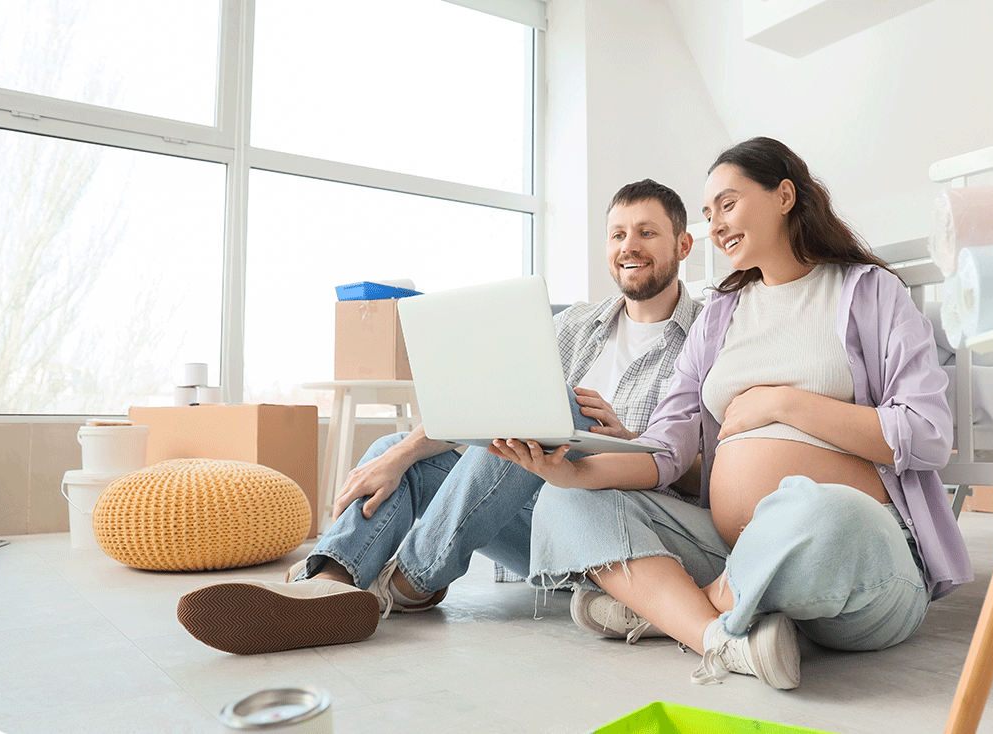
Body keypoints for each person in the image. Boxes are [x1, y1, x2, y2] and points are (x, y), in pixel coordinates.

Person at [491, 137, 973, 690]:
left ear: (785, 195)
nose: (716, 225)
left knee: (820, 511)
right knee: (566, 502)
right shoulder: (718, 314)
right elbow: (667, 450)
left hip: (855, 552)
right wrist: (574, 472)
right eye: (708, 213)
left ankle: (677, 609)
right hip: (729, 549)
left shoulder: (868, 292)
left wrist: (781, 402)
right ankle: (723, 639)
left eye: (729, 203)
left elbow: (928, 435)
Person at [177, 179, 704, 655]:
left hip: (603, 528)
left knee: (562, 408)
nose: (628, 246)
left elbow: (705, 471)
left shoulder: (706, 334)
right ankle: (330, 587)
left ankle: (408, 582)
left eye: (646, 232)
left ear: (682, 245)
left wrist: (626, 441)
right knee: (392, 453)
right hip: (523, 509)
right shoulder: (576, 324)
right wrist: (405, 450)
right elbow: (492, 404)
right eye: (616, 234)